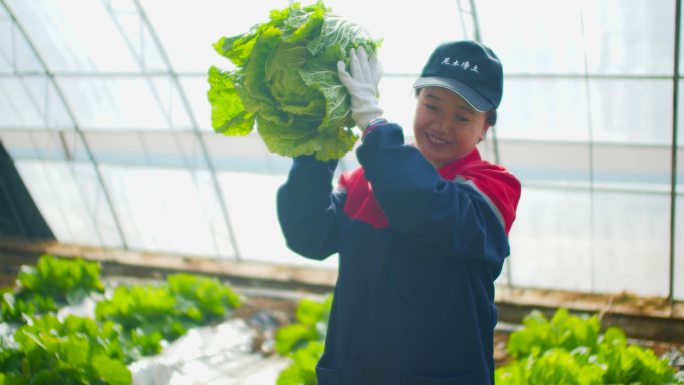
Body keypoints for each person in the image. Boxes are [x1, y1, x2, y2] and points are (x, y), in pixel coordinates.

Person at [277, 40, 521, 385]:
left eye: (463, 117)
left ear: (484, 129)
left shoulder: (493, 188)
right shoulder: (368, 178)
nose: (442, 124)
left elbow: (430, 211)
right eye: (432, 106)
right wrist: (318, 145)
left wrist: (374, 127)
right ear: (416, 103)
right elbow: (309, 234)